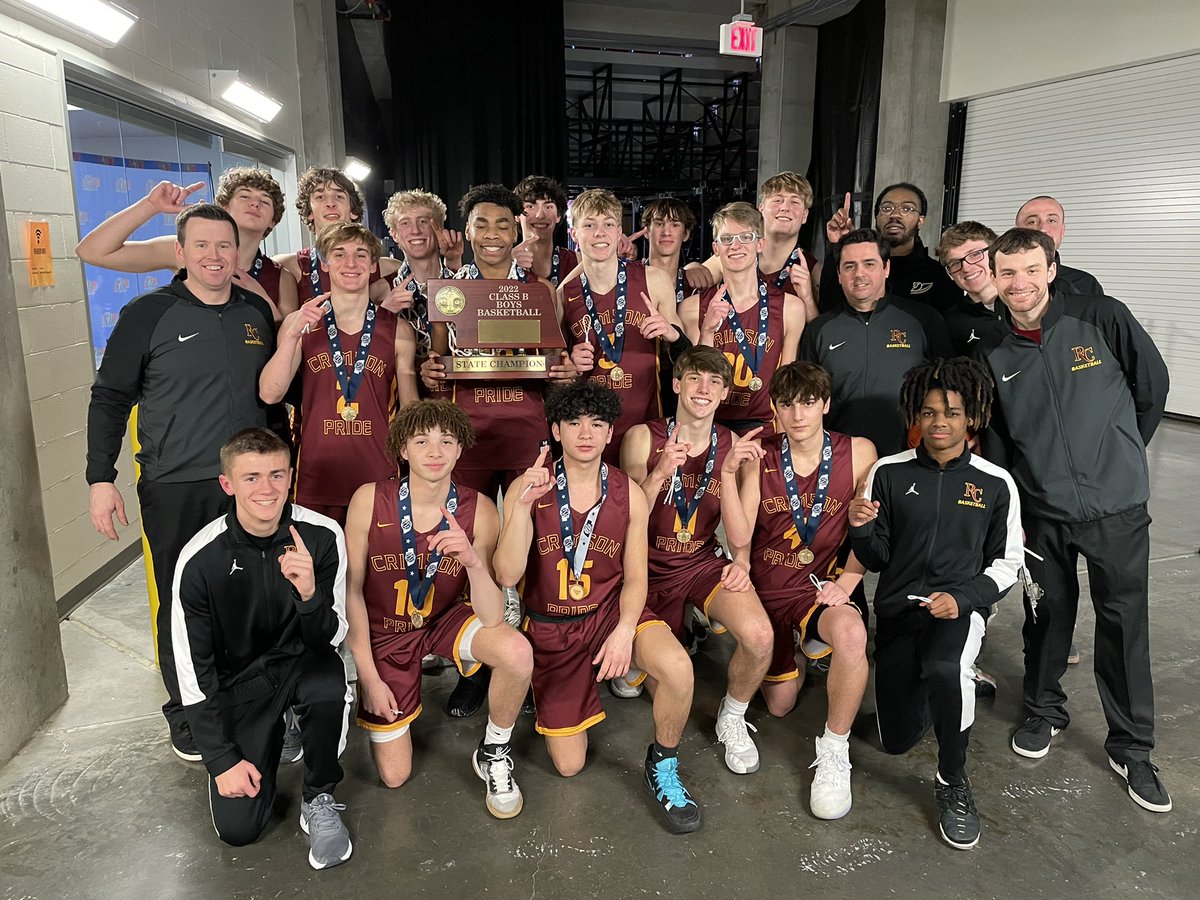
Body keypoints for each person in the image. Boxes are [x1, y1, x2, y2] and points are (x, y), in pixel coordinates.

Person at [978, 228, 1172, 813]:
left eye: (1031, 270)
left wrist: (1121, 455)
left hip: (1117, 509)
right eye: (1007, 273)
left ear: (1052, 269)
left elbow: (1152, 386)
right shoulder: (992, 355)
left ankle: (1131, 746)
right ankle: (1044, 712)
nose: (1020, 285)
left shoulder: (1102, 318)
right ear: (995, 277)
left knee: (1122, 621)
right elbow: (1000, 443)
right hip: (1044, 513)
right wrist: (1024, 502)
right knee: (1046, 617)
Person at [87, 203, 276, 761]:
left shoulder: (254, 314)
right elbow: (110, 398)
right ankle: (188, 711)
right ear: (181, 253)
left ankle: (251, 696)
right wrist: (102, 478)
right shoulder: (148, 314)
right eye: (202, 246)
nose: (215, 257)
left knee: (251, 596)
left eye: (225, 246)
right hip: (176, 485)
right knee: (182, 601)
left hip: (249, 486)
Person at [493, 381, 703, 834]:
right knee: (570, 765)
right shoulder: (527, 488)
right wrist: (521, 510)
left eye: (597, 424)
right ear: (555, 430)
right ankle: (544, 684)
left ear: (611, 434)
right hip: (552, 625)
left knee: (678, 669)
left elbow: (638, 577)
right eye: (573, 423)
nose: (585, 433)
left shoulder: (631, 493)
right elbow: (507, 575)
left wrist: (626, 629)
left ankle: (662, 765)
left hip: (609, 612)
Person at [849, 357, 1023, 850]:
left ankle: (952, 780)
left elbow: (1007, 564)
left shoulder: (995, 482)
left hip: (957, 613)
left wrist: (964, 599)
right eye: (928, 413)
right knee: (895, 740)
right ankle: (947, 691)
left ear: (971, 417)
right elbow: (877, 558)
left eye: (951, 412)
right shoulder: (887, 472)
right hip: (899, 612)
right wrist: (861, 527)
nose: (939, 422)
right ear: (915, 417)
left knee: (945, 666)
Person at [420, 183, 575, 717]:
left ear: (517, 233)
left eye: (502, 226)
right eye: (481, 224)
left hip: (526, 437)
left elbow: (552, 376)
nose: (491, 235)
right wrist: (431, 372)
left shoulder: (541, 291)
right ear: (467, 231)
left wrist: (561, 374)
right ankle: (479, 667)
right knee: (473, 553)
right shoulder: (447, 294)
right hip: (468, 440)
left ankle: (535, 664)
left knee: (533, 549)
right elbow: (439, 373)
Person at [171, 427, 353, 868]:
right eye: (251, 477)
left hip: (301, 664)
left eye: (276, 474)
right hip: (242, 686)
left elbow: (330, 637)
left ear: (290, 477)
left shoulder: (323, 535)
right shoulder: (199, 559)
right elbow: (193, 671)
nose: (266, 489)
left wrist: (309, 596)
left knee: (329, 682)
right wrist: (220, 758)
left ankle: (319, 797)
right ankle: (273, 732)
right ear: (227, 484)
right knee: (239, 831)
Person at [343, 400, 534, 817]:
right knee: (395, 776)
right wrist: (368, 678)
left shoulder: (480, 509)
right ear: (403, 449)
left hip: (444, 619)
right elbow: (351, 594)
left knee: (516, 651)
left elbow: (493, 616)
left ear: (460, 449)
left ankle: (495, 750)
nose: (435, 451)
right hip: (384, 632)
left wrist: (473, 563)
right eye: (422, 440)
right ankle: (379, 692)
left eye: (446, 441)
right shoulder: (368, 500)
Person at [619, 347, 774, 774]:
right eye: (694, 378)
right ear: (676, 384)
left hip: (702, 559)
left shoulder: (734, 446)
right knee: (666, 680)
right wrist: (658, 474)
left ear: (724, 392)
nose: (702, 389)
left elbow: (742, 530)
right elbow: (620, 524)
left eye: (713, 382)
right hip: (643, 568)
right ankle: (643, 655)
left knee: (760, 636)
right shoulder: (642, 437)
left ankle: (733, 716)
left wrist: (741, 560)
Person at [736, 362, 876, 820]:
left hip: (820, 589)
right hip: (768, 589)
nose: (799, 415)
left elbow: (870, 529)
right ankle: (797, 650)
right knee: (779, 706)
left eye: (809, 403)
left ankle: (835, 752)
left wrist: (850, 580)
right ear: (775, 410)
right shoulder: (761, 455)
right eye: (788, 405)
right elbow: (740, 532)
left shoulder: (858, 452)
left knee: (853, 635)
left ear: (826, 405)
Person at [259, 223, 419, 525]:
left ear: (373, 265)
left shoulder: (398, 330)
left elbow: (409, 409)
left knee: (374, 571)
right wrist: (293, 334)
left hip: (378, 475)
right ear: (325, 263)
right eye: (340, 254)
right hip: (316, 477)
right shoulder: (300, 322)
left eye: (361, 255)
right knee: (317, 570)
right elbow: (270, 393)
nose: (350, 263)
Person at [800, 229, 952, 457]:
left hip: (910, 456)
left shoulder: (923, 319)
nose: (859, 274)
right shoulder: (819, 329)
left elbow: (950, 387)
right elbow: (806, 398)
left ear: (886, 268)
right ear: (839, 275)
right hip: (840, 458)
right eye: (849, 266)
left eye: (869, 264)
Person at [563, 188, 689, 463]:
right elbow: (555, 374)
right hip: (587, 433)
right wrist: (569, 363)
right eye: (589, 225)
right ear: (574, 234)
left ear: (619, 231)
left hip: (645, 425)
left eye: (608, 225)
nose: (600, 233)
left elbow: (686, 359)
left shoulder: (653, 280)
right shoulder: (563, 294)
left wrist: (671, 334)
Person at [75, 167, 298, 320]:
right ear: (224, 206)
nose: (254, 204)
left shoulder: (281, 277)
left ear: (273, 220)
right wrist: (151, 205)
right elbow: (92, 251)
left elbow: (289, 341)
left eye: (264, 201)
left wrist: (261, 299)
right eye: (245, 196)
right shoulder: (185, 252)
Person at [679, 202, 806, 434]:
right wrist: (707, 331)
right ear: (716, 248)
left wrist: (780, 441)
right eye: (727, 239)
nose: (735, 246)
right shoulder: (691, 308)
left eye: (745, 237)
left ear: (760, 244)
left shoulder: (791, 307)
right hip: (708, 427)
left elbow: (786, 384)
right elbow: (691, 380)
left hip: (763, 427)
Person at [821, 183, 961, 313]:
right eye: (887, 208)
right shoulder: (859, 270)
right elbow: (829, 307)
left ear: (920, 220)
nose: (895, 215)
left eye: (907, 209)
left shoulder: (936, 275)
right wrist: (840, 244)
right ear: (876, 216)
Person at [276, 166, 393, 303]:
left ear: (353, 211)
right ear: (309, 212)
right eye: (320, 197)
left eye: (339, 196)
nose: (330, 203)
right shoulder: (286, 268)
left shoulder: (389, 269)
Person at [381, 188, 463, 356]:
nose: (415, 230)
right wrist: (384, 313)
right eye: (405, 223)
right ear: (394, 234)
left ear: (438, 228)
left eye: (423, 221)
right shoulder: (383, 289)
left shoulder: (464, 281)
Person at [936, 222, 1007, 356]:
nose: (966, 268)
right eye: (955, 263)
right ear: (950, 274)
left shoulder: (1027, 303)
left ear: (995, 254)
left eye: (974, 254)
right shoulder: (948, 324)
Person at [1014, 195, 1104, 295]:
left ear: (1062, 231)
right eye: (1032, 222)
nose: (1043, 229)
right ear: (1016, 231)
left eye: (1052, 220)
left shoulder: (1086, 285)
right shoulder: (999, 282)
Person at [514, 175, 579, 286]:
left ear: (558, 215)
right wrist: (507, 266)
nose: (540, 215)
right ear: (517, 216)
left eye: (548, 207)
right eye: (530, 206)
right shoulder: (505, 265)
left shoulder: (577, 262)